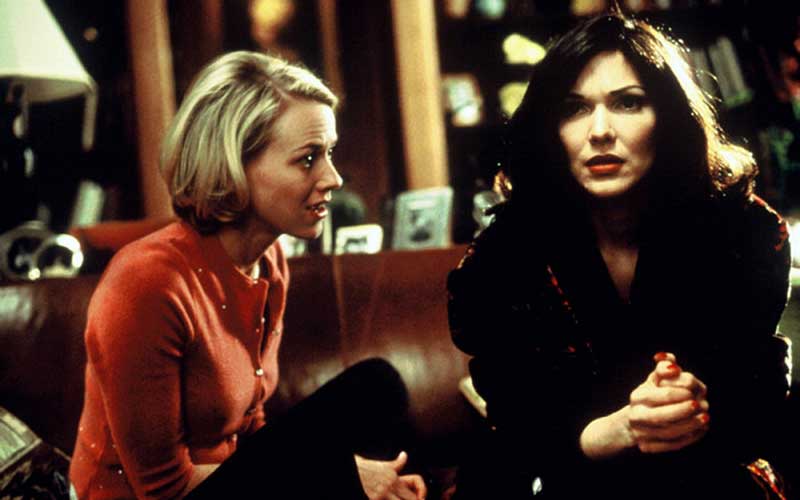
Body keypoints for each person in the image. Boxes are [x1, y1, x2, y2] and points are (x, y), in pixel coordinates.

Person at [447, 10, 793, 500]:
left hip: (707, 476)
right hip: (569, 481)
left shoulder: (743, 231)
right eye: (574, 108)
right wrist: (616, 430)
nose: (600, 131)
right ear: (550, 128)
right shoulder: (503, 257)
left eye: (628, 102)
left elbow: (761, 397)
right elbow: (516, 420)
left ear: (669, 117)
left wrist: (698, 408)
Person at [69, 51, 426, 500]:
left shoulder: (269, 259)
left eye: (329, 153)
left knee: (376, 387)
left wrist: (353, 476)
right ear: (234, 164)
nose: (333, 178)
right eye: (308, 158)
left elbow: (252, 431)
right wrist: (339, 478)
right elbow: (164, 491)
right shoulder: (147, 284)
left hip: (228, 479)